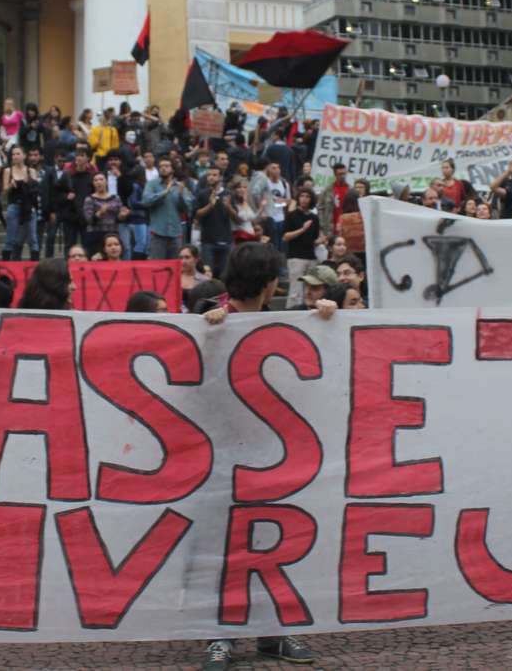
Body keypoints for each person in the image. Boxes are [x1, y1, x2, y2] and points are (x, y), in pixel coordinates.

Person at [199, 241, 329, 671]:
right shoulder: (208, 317)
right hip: (221, 459)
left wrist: (329, 320)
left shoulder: (279, 320)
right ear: (270, 282)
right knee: (226, 549)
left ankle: (272, 633)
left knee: (274, 544)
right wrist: (205, 330)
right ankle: (220, 635)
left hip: (274, 457)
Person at [142, 157, 192, 259]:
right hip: (157, 233)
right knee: (156, 267)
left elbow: (188, 210)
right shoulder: (152, 184)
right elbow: (145, 201)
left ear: (173, 169)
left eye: (166, 166)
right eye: (160, 166)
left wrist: (181, 195)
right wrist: (164, 193)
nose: (163, 168)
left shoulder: (180, 187)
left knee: (175, 267)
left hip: (175, 234)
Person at [284, 188, 322, 307]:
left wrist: (322, 240)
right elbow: (285, 237)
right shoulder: (291, 215)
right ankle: (291, 313)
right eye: (302, 196)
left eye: (307, 196)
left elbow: (315, 239)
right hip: (296, 257)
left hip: (311, 256)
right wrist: (302, 229)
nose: (304, 199)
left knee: (310, 289)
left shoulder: (314, 217)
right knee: (295, 290)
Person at [194, 166, 234, 279]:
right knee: (207, 275)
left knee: (225, 276)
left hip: (226, 240)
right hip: (208, 241)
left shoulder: (228, 194)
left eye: (214, 175)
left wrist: (229, 208)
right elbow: (196, 215)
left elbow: (238, 219)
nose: (211, 177)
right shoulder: (202, 194)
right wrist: (210, 206)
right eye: (209, 175)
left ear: (220, 177)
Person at [3, 144, 40, 261]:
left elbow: (35, 190)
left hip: (28, 206)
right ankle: (6, 265)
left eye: (18, 154)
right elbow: (4, 192)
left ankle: (34, 265)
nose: (15, 156)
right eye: (13, 154)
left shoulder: (31, 171)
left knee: (33, 239)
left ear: (24, 156)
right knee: (10, 239)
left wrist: (28, 183)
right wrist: (10, 186)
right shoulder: (8, 171)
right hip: (14, 205)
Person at [83, 171, 127, 257]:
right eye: (96, 180)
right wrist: (99, 213)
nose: (99, 182)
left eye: (101, 179)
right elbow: (88, 220)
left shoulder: (116, 198)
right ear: (93, 183)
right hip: (95, 235)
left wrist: (122, 215)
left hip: (112, 234)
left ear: (106, 181)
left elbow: (118, 219)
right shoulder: (89, 199)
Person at [179, 245, 210, 309]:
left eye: (187, 257)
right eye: (180, 258)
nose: (183, 261)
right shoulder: (172, 279)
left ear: (196, 259)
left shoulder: (205, 281)